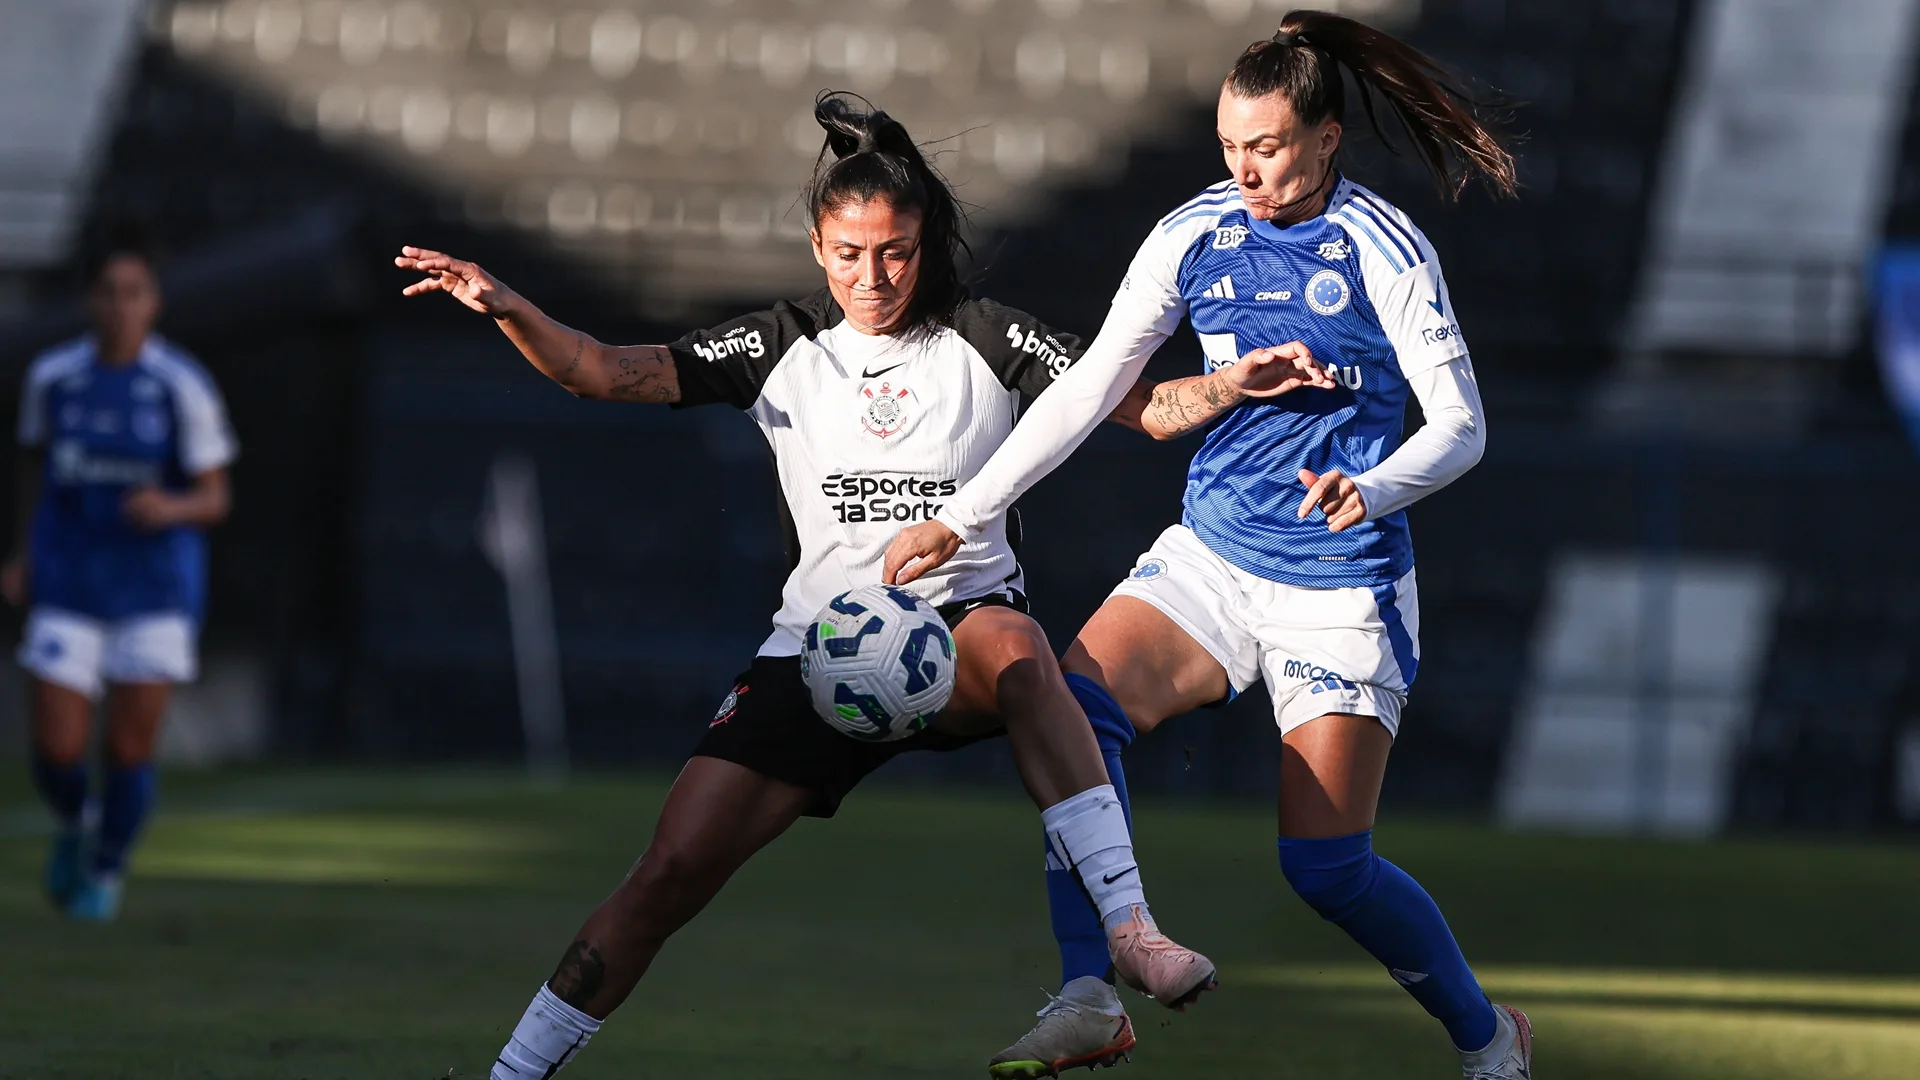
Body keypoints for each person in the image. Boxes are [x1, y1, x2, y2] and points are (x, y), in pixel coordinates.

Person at [396, 93, 1298, 1080]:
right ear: (820, 247)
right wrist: (510, 307)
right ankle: (510, 1075)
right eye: (849, 253)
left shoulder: (986, 336)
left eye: (897, 252)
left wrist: (1228, 384)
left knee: (1023, 650)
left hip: (956, 639)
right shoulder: (779, 344)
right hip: (820, 656)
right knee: (666, 874)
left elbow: (1147, 408)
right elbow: (606, 371)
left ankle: (1130, 930)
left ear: (925, 243)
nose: (874, 276)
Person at [883, 11, 1533, 1079]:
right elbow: (1094, 386)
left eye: (1269, 146)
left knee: (1325, 870)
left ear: (1326, 139)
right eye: (1231, 146)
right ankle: (1090, 991)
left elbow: (1462, 427)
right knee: (1067, 706)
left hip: (1339, 584)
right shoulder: (1196, 231)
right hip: (1215, 554)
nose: (1246, 169)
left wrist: (1369, 489)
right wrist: (966, 512)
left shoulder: (1383, 247)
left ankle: (1484, 1033)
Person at [8, 224, 237, 922]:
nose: (119, 306)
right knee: (55, 745)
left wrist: (169, 505)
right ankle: (77, 824)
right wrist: (23, 553)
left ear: (154, 303)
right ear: (90, 301)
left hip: (154, 590)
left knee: (127, 745)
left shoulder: (181, 386)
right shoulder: (54, 378)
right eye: (107, 293)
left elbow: (216, 496)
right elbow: (34, 471)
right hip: (71, 580)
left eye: (133, 293)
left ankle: (105, 872)